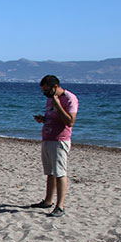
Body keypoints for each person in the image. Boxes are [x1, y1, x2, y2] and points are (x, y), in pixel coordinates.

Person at [31, 75, 78, 217]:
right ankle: (48, 200)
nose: (45, 94)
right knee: (50, 172)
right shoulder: (49, 100)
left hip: (60, 140)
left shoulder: (69, 99)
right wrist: (43, 120)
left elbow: (70, 121)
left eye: (47, 91)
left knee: (60, 173)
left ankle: (60, 206)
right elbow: (52, 117)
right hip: (47, 137)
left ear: (55, 87)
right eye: (43, 91)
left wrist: (57, 104)